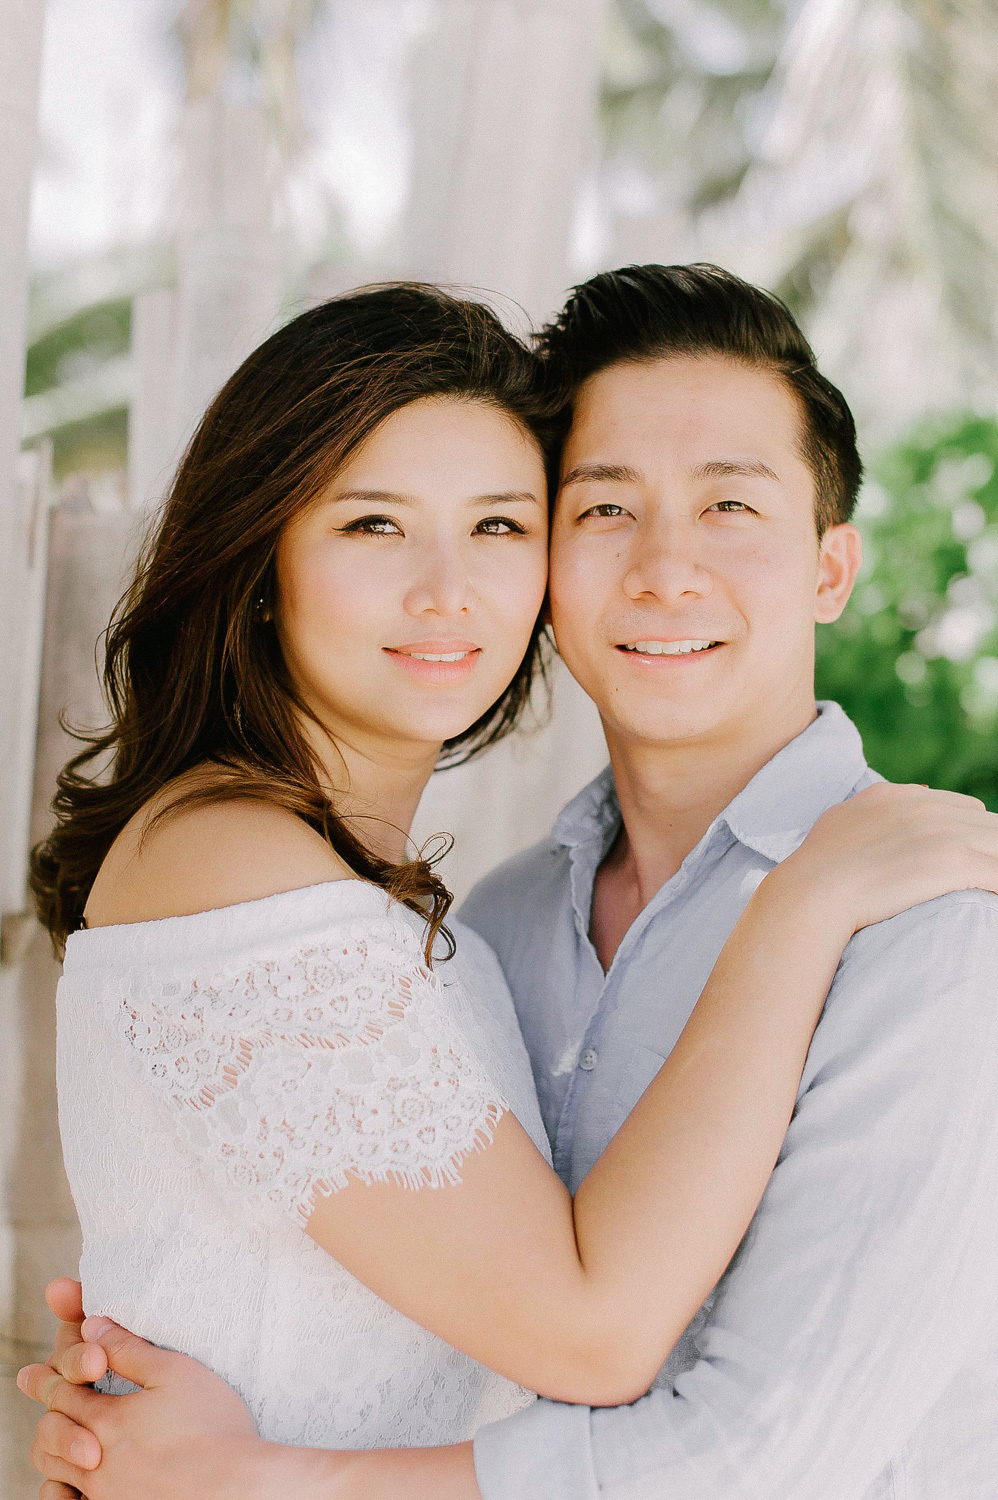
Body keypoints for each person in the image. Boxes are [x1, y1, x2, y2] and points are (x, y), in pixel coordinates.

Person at [21, 267, 998, 1500]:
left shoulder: (925, 925)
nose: (662, 568)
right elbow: (568, 1334)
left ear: (828, 569)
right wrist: (802, 900)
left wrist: (248, 1471)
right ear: (261, 559)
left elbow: (765, 1461)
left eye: (492, 524)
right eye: (600, 511)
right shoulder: (482, 920)